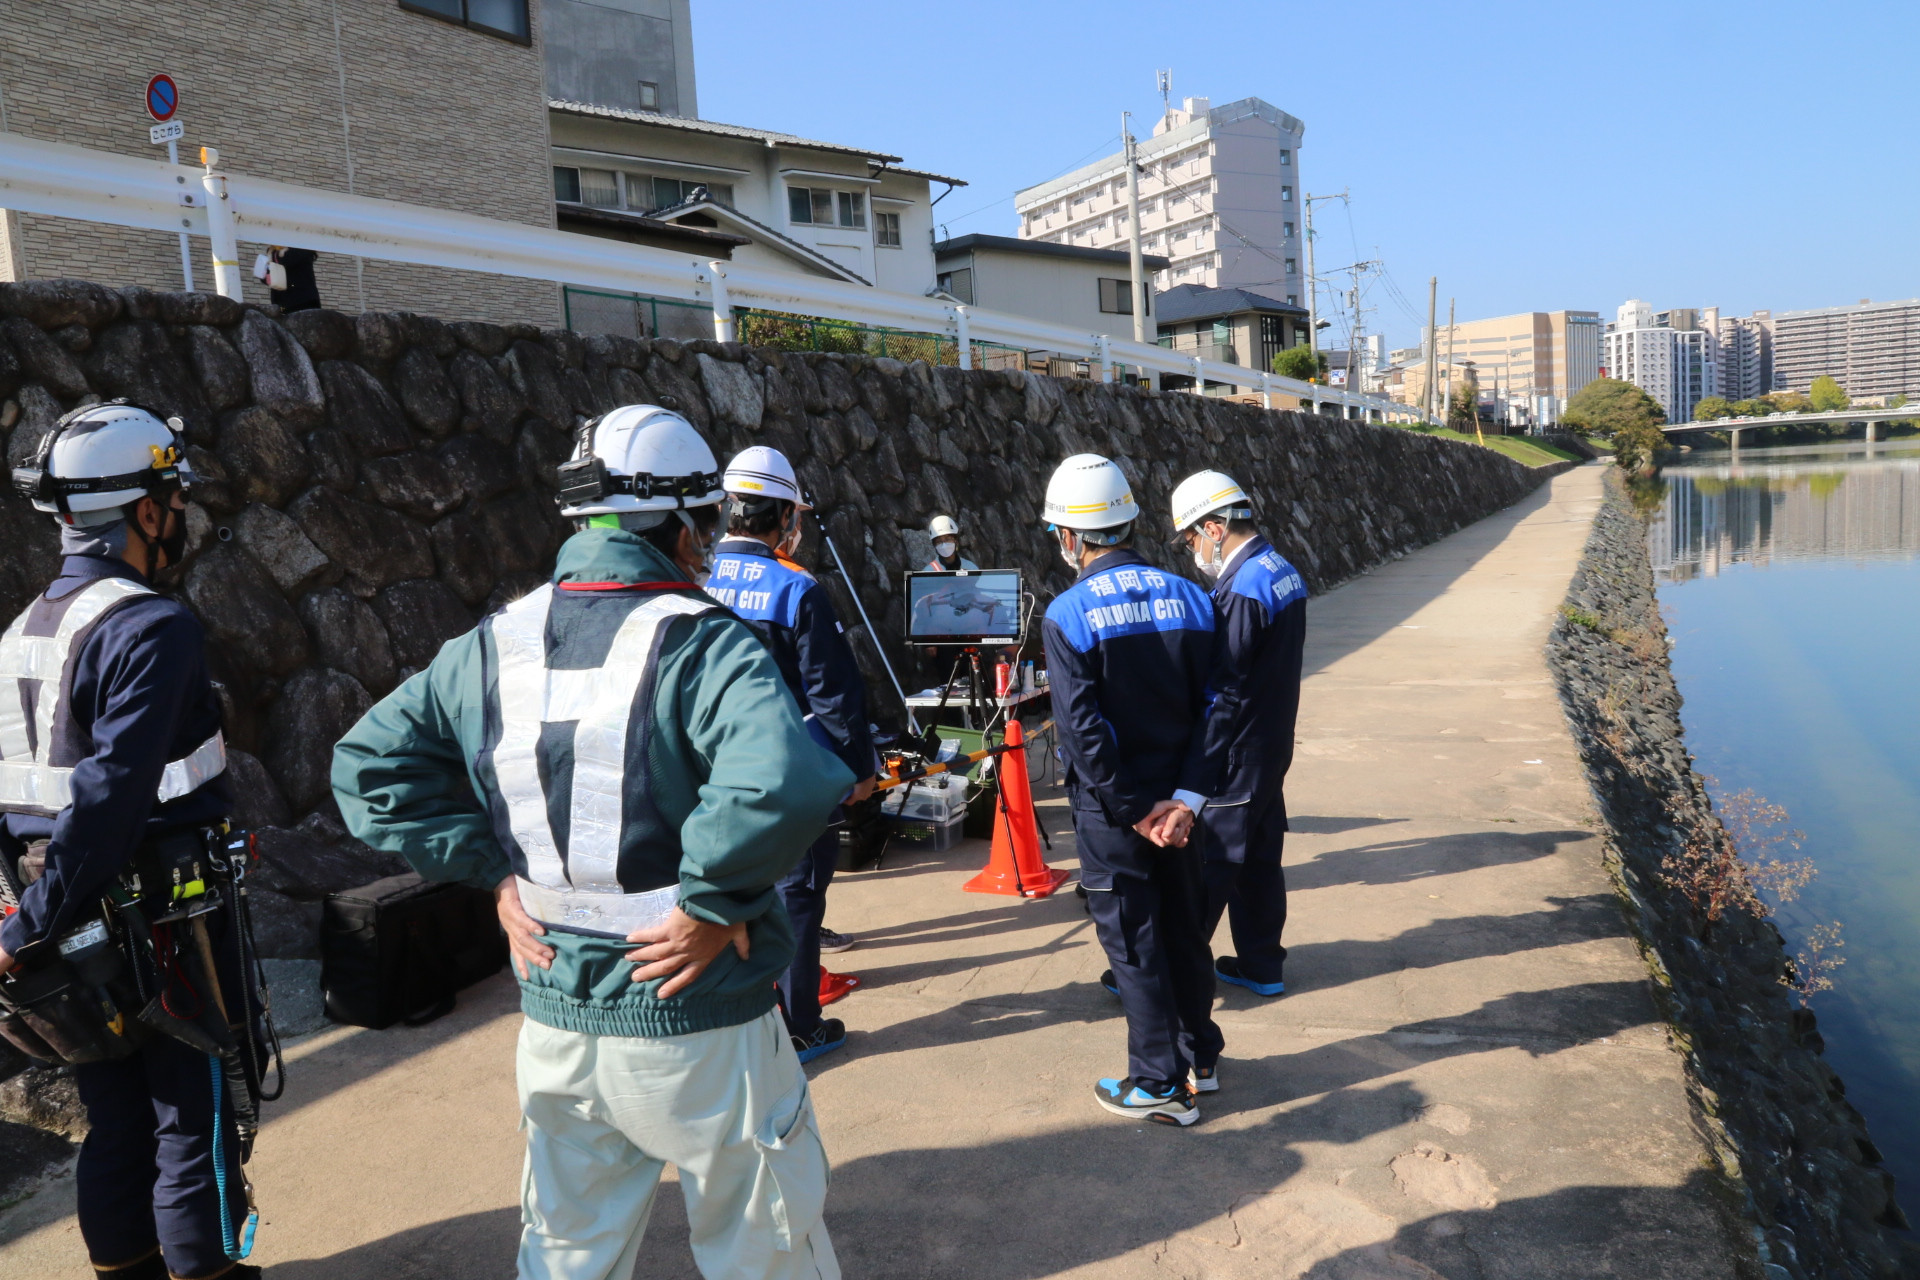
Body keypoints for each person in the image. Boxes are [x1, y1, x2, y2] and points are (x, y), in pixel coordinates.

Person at [332, 406, 851, 1280]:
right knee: (763, 1244)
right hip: (697, 1011)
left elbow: (368, 766)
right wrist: (709, 900)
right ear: (684, 524)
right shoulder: (701, 637)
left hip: (554, 1015)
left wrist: (493, 875)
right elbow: (787, 778)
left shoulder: (491, 643)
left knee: (570, 1252)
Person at [0, 403, 254, 1280]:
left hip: (63, 919)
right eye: (173, 497)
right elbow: (109, 800)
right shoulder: (152, 625)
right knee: (193, 1114)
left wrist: (25, 922)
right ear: (145, 511)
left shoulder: (24, 632)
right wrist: (30, 924)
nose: (179, 517)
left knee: (117, 1116)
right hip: (157, 920)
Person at [1039, 453, 1223, 1126]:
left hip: (1117, 814)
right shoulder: (1193, 596)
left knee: (1135, 943)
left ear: (1069, 536)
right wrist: (1186, 800)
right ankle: (1201, 1056)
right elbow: (1219, 704)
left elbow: (1083, 733)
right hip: (1180, 808)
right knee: (1184, 932)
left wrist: (1135, 811)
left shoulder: (1068, 612)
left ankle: (1158, 1083)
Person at [706, 446, 878, 1063]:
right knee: (798, 895)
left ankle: (735, 1014)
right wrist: (861, 770)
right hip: (788, 773)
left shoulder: (695, 577)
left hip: (710, 772)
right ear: (781, 515)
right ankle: (799, 1026)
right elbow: (833, 695)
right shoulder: (795, 587)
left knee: (722, 887)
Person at [1170, 470, 1308, 999]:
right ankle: (1261, 964)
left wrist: (1198, 767)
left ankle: (1170, 972)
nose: (1191, 549)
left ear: (1214, 526)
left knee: (1212, 865)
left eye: (1190, 537)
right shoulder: (1280, 570)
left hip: (1240, 749)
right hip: (1272, 741)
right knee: (1258, 860)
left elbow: (1224, 686)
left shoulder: (1245, 587)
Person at [267, 246, 320, 312]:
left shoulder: (301, 247)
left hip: (303, 300)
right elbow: (270, 273)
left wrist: (274, 256)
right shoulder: (273, 251)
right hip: (281, 302)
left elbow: (287, 259)